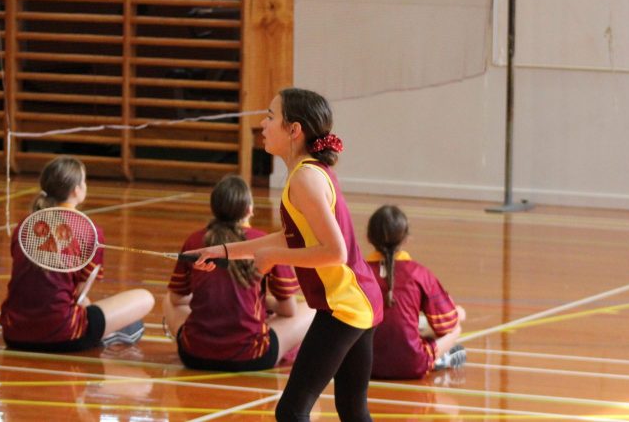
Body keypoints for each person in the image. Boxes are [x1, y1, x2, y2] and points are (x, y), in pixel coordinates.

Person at [189, 87, 383, 422]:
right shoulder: (307, 173)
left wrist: (274, 257)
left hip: (344, 305)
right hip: (358, 298)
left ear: (294, 130)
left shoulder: (305, 179)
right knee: (352, 409)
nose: (262, 125)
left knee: (292, 412)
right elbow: (292, 236)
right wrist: (222, 251)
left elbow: (335, 252)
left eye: (270, 116)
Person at [0, 155, 154, 352]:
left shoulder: (24, 226)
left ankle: (104, 330)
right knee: (144, 298)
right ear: (76, 190)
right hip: (63, 335)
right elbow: (81, 293)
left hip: (14, 333)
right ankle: (107, 333)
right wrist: (98, 320)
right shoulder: (90, 231)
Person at [164, 173, 314, 371]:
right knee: (311, 309)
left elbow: (176, 299)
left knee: (168, 298)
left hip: (193, 355)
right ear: (249, 209)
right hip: (252, 355)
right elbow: (288, 310)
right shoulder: (264, 241)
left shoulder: (194, 240)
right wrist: (261, 303)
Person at [365, 204, 467, 380]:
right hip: (412, 364)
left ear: (368, 237)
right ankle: (440, 359)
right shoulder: (418, 273)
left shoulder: (358, 272)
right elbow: (448, 323)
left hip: (364, 365)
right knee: (457, 322)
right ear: (406, 239)